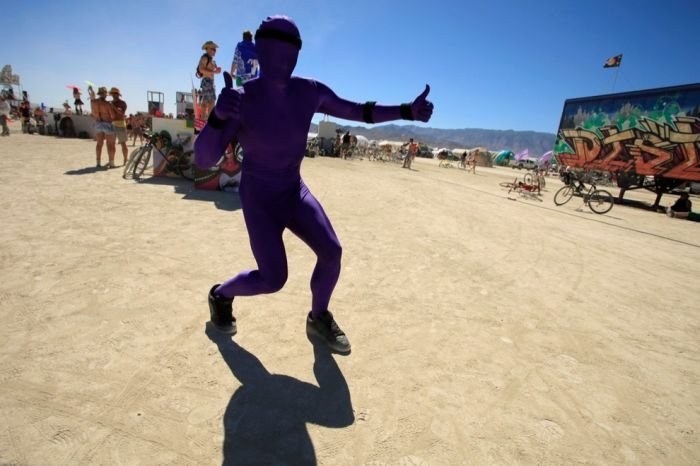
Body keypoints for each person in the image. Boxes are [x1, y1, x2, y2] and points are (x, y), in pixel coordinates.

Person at [195, 15, 433, 353]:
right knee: (273, 278)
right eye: (275, 53)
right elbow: (204, 159)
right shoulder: (243, 99)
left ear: (297, 56)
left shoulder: (308, 91)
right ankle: (221, 295)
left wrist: (407, 110)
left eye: (290, 54)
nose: (282, 61)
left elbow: (355, 111)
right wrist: (219, 117)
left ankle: (318, 316)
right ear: (260, 52)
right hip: (260, 198)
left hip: (293, 191)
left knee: (332, 252)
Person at [89, 86, 118, 168]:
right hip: (107, 124)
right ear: (105, 94)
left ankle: (98, 162)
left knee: (99, 144)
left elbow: (92, 97)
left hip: (98, 123)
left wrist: (91, 91)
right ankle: (111, 163)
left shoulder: (93, 102)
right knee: (110, 144)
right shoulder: (107, 104)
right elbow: (112, 116)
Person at [198, 40, 222, 120]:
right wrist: (214, 71)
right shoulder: (205, 58)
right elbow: (201, 69)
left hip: (209, 82)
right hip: (207, 81)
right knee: (209, 103)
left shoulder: (211, 60)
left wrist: (215, 71)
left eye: (215, 49)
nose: (215, 51)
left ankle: (206, 121)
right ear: (207, 49)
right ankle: (207, 121)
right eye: (213, 49)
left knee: (208, 102)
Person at [110, 87, 129, 165]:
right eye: (113, 93)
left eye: (115, 93)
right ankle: (112, 161)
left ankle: (125, 160)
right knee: (112, 144)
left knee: (123, 143)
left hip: (120, 124)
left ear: (118, 94)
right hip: (112, 124)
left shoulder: (122, 103)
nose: (114, 95)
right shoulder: (110, 103)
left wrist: (112, 106)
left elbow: (121, 113)